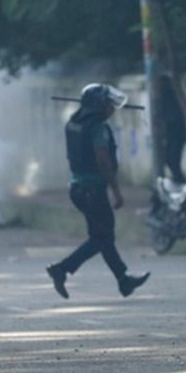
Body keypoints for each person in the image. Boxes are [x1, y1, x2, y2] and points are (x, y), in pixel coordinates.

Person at [46, 83, 149, 299]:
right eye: (107, 104)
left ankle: (123, 280)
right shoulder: (98, 128)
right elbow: (103, 159)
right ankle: (61, 269)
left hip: (76, 188)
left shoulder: (74, 122)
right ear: (99, 105)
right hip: (93, 190)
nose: (111, 108)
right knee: (101, 238)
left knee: (103, 236)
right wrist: (116, 190)